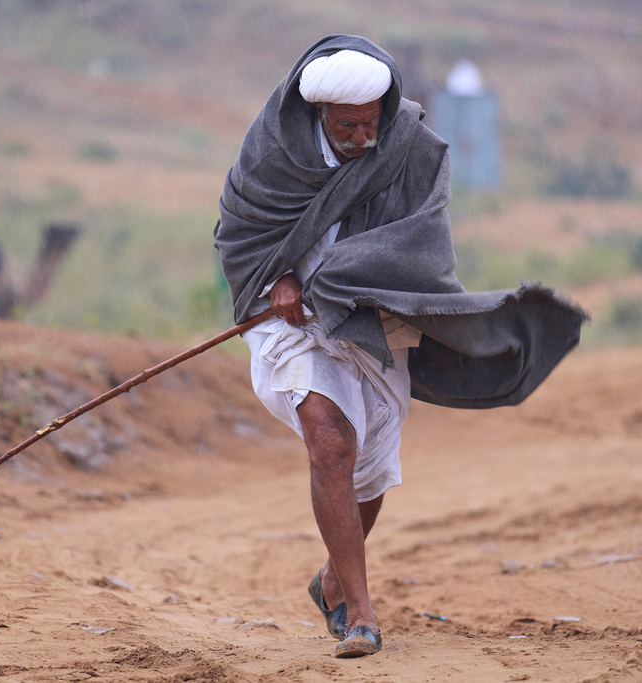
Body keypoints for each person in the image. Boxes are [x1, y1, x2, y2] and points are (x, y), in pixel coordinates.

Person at [214, 35, 586, 658]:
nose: (364, 135)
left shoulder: (409, 145)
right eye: (348, 125)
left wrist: (352, 278)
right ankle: (360, 613)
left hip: (374, 314)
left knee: (372, 463)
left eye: (371, 122)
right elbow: (240, 224)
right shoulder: (273, 149)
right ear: (318, 115)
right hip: (288, 319)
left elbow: (422, 234)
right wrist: (279, 276)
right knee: (332, 442)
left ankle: (333, 578)